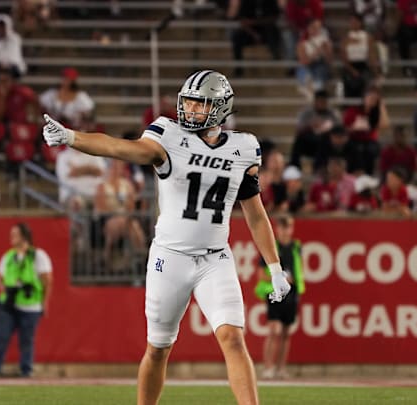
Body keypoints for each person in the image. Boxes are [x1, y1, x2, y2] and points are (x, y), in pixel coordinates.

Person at [42, 69, 291, 405]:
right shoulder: (168, 135)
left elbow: (255, 213)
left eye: (198, 104)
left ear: (220, 107)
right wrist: (74, 137)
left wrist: (274, 267)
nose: (188, 109)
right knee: (158, 348)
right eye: (186, 101)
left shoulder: (244, 148)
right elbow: (121, 147)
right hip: (170, 257)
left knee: (233, 338)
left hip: (215, 258)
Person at [0, 223, 53, 378]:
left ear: (24, 237)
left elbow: (47, 280)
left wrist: (45, 302)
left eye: (15, 234)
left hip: (30, 305)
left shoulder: (38, 256)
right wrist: (5, 288)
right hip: (9, 303)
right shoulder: (9, 256)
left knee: (26, 340)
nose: (11, 237)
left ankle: (26, 370)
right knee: (1, 336)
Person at [254, 215, 304, 380]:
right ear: (277, 229)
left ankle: (281, 368)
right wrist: (280, 278)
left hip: (292, 292)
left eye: (288, 227)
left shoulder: (296, 247)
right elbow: (261, 274)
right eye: (282, 227)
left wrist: (294, 282)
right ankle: (268, 367)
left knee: (285, 332)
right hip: (274, 292)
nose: (285, 231)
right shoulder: (271, 247)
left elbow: (300, 269)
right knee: (274, 330)